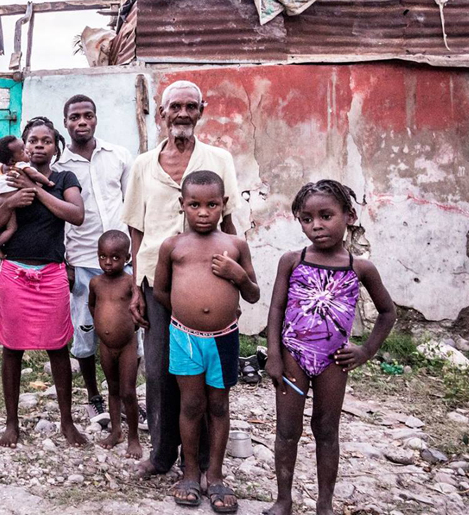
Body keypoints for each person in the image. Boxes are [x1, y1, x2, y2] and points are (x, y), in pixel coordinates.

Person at [121, 80, 243, 480]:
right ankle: (161, 455)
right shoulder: (143, 165)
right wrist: (136, 286)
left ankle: (207, 462)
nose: (183, 113)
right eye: (176, 106)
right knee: (158, 371)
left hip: (207, 280)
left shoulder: (219, 159)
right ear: (162, 112)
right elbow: (136, 230)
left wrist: (233, 283)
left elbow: (230, 222)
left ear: (201, 111)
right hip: (158, 283)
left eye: (191, 106)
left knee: (206, 378)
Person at [264, 181, 396, 515]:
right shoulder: (292, 261)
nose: (316, 225)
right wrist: (274, 356)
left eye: (326, 216)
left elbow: (387, 312)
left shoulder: (359, 268)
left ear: (349, 216)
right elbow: (276, 309)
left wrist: (366, 351)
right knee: (286, 430)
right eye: (307, 219)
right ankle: (283, 500)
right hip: (293, 356)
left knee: (326, 430)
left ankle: (325, 504)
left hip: (333, 361)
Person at [153, 171, 259, 511]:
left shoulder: (235, 246)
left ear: (223, 205)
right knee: (191, 405)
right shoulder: (173, 246)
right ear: (182, 205)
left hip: (224, 339)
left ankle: (215, 475)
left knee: (219, 405)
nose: (203, 212)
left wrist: (238, 275)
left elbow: (254, 294)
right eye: (194, 205)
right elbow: (161, 290)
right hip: (185, 337)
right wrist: (187, 316)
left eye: (212, 205)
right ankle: (189, 472)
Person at [0, 117, 88, 448]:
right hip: (14, 273)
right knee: (12, 348)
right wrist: (12, 202)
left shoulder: (65, 178)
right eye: (33, 139)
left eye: (46, 140)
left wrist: (40, 191)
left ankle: (67, 423)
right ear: (23, 145)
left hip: (52, 273)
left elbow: (76, 215)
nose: (39, 144)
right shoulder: (8, 178)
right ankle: (11, 423)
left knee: (57, 347)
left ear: (56, 145)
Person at [57, 94, 133, 428]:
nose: (82, 122)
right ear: (66, 123)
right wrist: (67, 263)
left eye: (88, 115)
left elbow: (131, 206)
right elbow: (56, 219)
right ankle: (93, 397)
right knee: (85, 332)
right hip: (84, 260)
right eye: (75, 117)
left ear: (96, 119)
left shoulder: (118, 156)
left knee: (127, 333)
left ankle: (129, 397)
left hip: (123, 261)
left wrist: (135, 258)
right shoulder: (59, 167)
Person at [88, 230, 142, 458]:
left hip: (127, 345)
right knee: (112, 388)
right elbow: (92, 306)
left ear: (127, 258)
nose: (108, 263)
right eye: (103, 257)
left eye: (115, 257)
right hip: (106, 345)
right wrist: (103, 326)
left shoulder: (130, 282)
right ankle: (116, 431)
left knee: (128, 391)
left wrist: (128, 326)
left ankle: (134, 438)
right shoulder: (96, 283)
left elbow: (139, 308)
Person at [0, 135, 51, 258]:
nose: (27, 150)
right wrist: (48, 182)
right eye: (22, 150)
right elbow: (36, 176)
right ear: (12, 160)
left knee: (9, 228)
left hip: (2, 198)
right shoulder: (20, 166)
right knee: (12, 228)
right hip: (10, 200)